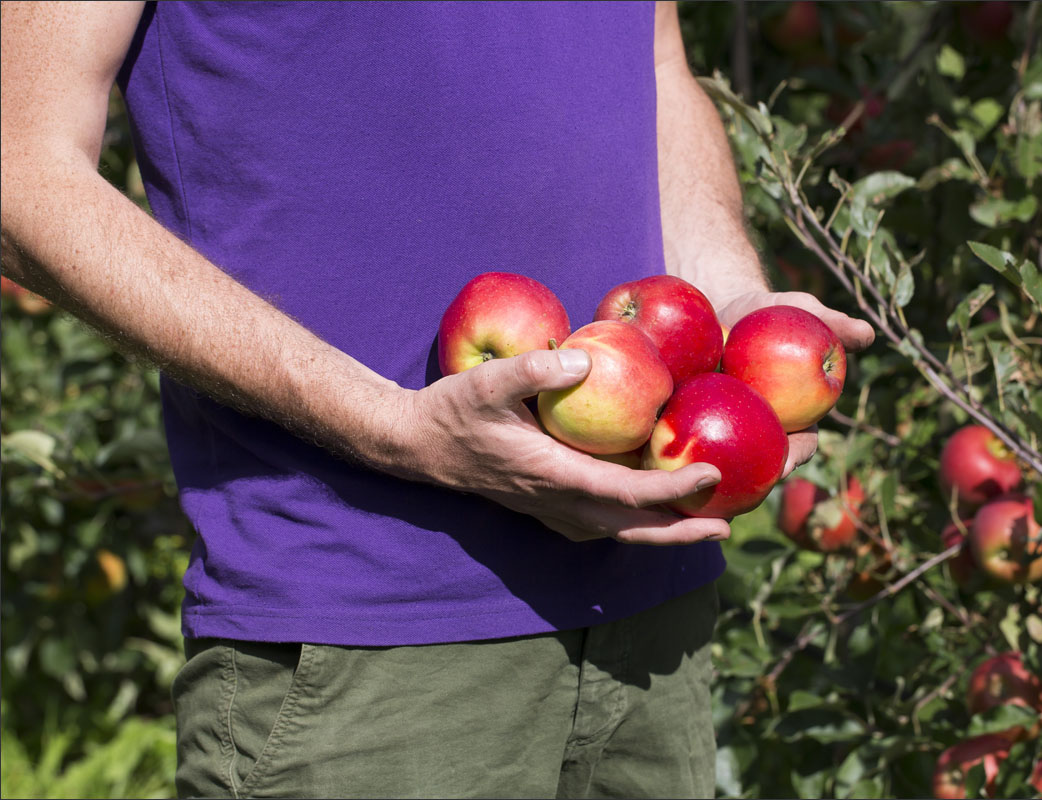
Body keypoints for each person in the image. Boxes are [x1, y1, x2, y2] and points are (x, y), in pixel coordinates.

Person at [1, 2, 873, 797]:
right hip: (367, 645)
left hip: (656, 616)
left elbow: (652, 58)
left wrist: (727, 316)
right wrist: (397, 430)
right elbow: (18, 170)